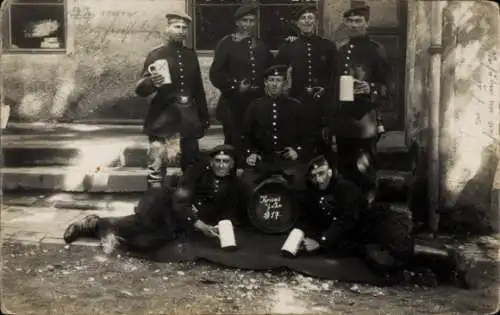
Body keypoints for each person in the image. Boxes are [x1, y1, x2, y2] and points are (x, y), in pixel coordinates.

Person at [62, 145, 242, 255]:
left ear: (232, 165)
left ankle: (113, 237)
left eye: (225, 161)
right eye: (217, 160)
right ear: (211, 162)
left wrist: (220, 227)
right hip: (167, 205)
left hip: (184, 221)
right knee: (143, 224)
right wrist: (197, 223)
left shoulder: (233, 185)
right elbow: (180, 201)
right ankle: (92, 224)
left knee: (150, 243)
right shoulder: (197, 173)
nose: (220, 165)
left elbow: (227, 211)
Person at [294, 156, 414, 274]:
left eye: (321, 174)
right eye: (314, 176)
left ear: (330, 172)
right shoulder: (316, 192)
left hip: (372, 225)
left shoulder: (345, 188)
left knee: (397, 254)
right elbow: (312, 217)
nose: (318, 179)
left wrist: (321, 241)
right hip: (353, 234)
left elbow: (348, 219)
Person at [135, 10, 210, 188]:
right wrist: (151, 82)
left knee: (191, 168)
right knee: (156, 168)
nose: (181, 31)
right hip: (162, 118)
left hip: (189, 118)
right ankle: (154, 206)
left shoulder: (191, 55)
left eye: (184, 28)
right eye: (177, 27)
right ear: (167, 28)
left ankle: (186, 206)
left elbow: (198, 89)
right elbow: (140, 90)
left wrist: (203, 117)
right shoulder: (156, 55)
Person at [332, 1, 391, 205]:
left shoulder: (376, 50)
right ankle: (347, 212)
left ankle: (367, 213)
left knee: (365, 171)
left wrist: (370, 88)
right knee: (344, 172)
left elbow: (387, 86)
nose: (354, 25)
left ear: (367, 24)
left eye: (358, 21)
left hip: (365, 122)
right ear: (345, 24)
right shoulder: (340, 51)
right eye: (350, 21)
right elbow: (333, 86)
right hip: (342, 122)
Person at [209, 3, 274, 163]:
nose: (248, 25)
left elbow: (270, 70)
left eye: (252, 21)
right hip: (233, 104)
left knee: (255, 144)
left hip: (256, 103)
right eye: (244, 21)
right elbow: (215, 74)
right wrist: (235, 86)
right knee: (233, 145)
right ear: (237, 22)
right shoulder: (226, 43)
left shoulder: (261, 45)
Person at [275, 6, 338, 162]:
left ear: (316, 21)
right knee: (299, 144)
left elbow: (335, 75)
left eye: (310, 18)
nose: (307, 21)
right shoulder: (287, 48)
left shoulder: (328, 47)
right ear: (297, 23)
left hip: (322, 106)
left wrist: (326, 90)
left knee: (324, 145)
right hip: (297, 104)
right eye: (303, 18)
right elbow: (279, 77)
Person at [240, 64, 308, 193]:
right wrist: (251, 153)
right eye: (271, 80)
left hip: (288, 160)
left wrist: (297, 151)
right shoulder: (254, 106)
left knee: (300, 184)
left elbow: (306, 135)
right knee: (246, 184)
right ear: (265, 83)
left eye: (278, 80)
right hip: (263, 160)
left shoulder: (295, 106)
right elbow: (246, 135)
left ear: (284, 83)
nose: (274, 84)